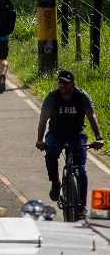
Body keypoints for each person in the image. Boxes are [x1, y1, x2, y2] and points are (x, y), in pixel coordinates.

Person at [35, 70, 104, 219]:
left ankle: (82, 207)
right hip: (56, 133)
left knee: (81, 169)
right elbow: (43, 119)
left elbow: (91, 116)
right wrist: (40, 140)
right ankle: (55, 183)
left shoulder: (81, 96)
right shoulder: (52, 97)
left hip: (76, 134)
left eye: (66, 83)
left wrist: (98, 137)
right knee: (51, 154)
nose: (62, 85)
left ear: (73, 83)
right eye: (60, 82)